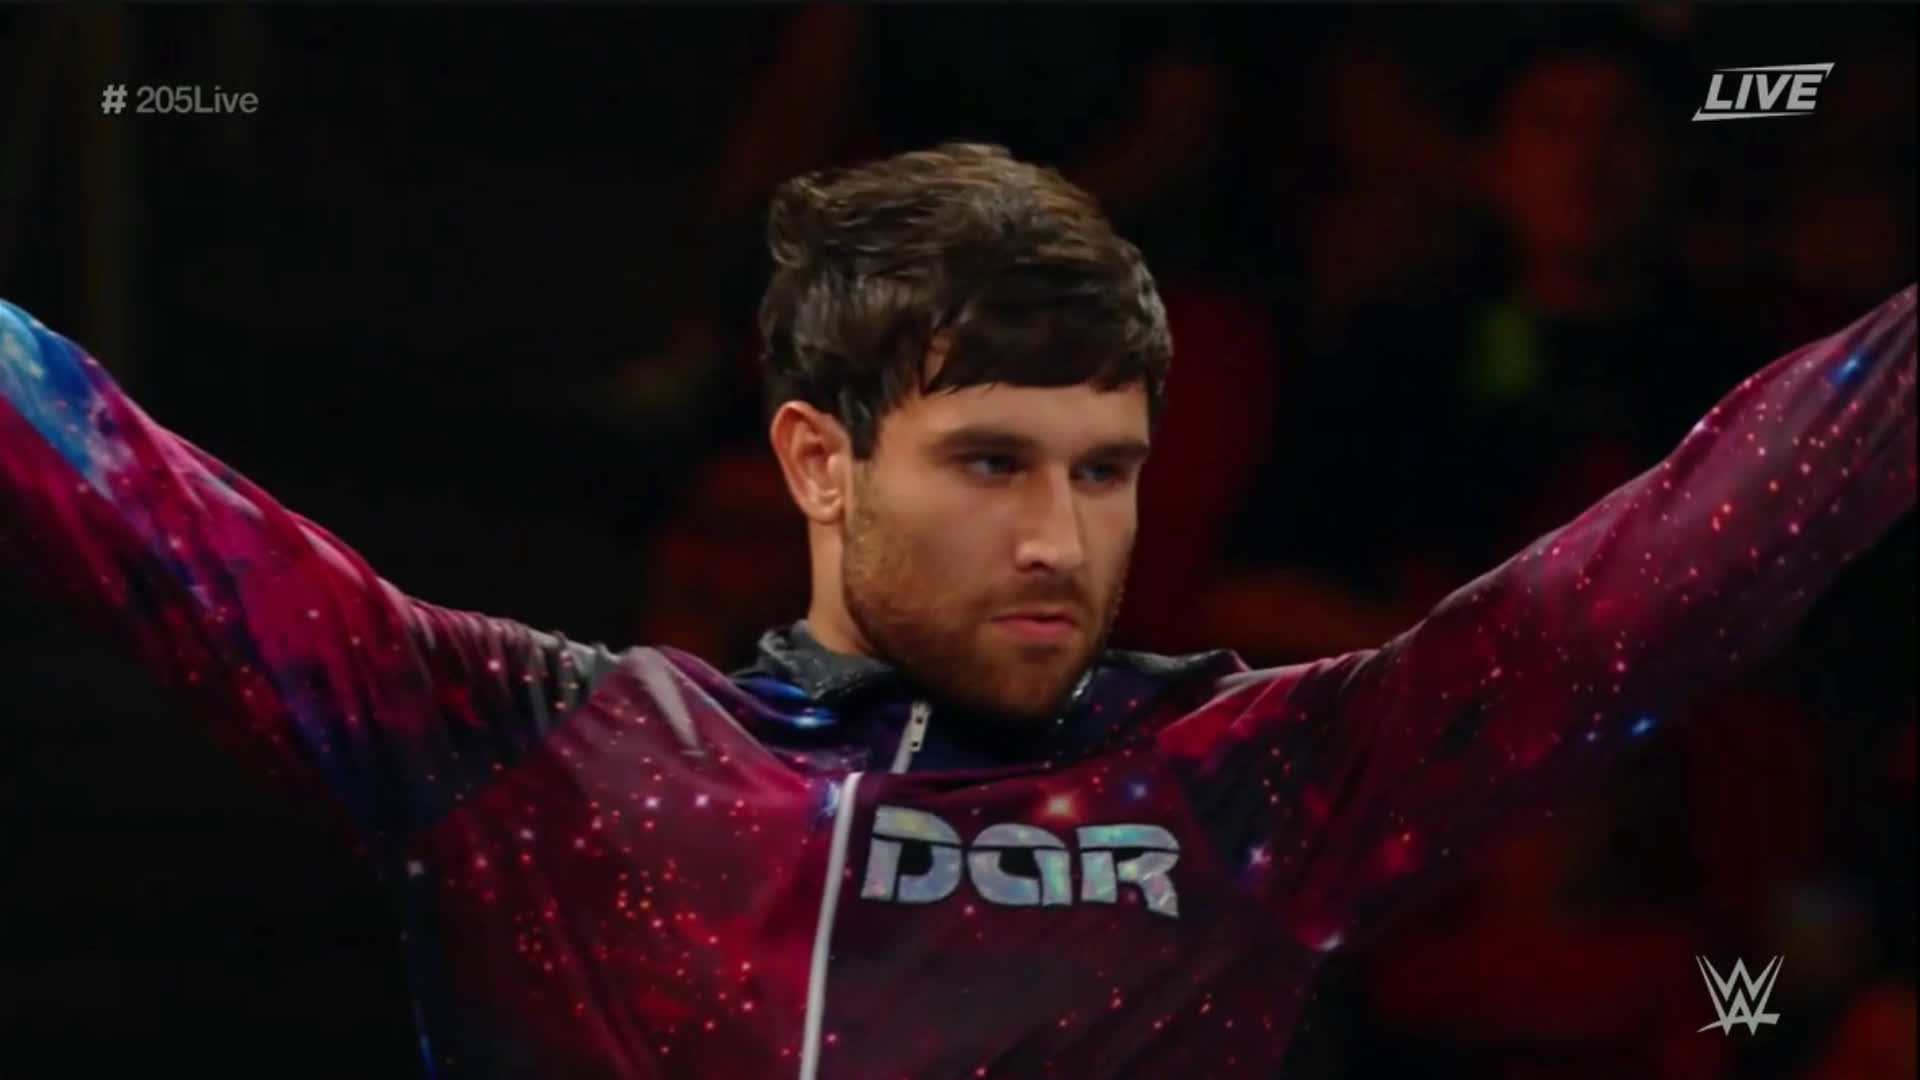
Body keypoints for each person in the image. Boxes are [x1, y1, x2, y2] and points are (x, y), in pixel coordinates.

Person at [0, 143, 1912, 1080]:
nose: (1063, 540)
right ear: (820, 463)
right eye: (994, 462)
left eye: (1107, 469)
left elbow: (1661, 573)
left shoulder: (1251, 777)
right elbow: (128, 492)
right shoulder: (539, 747)